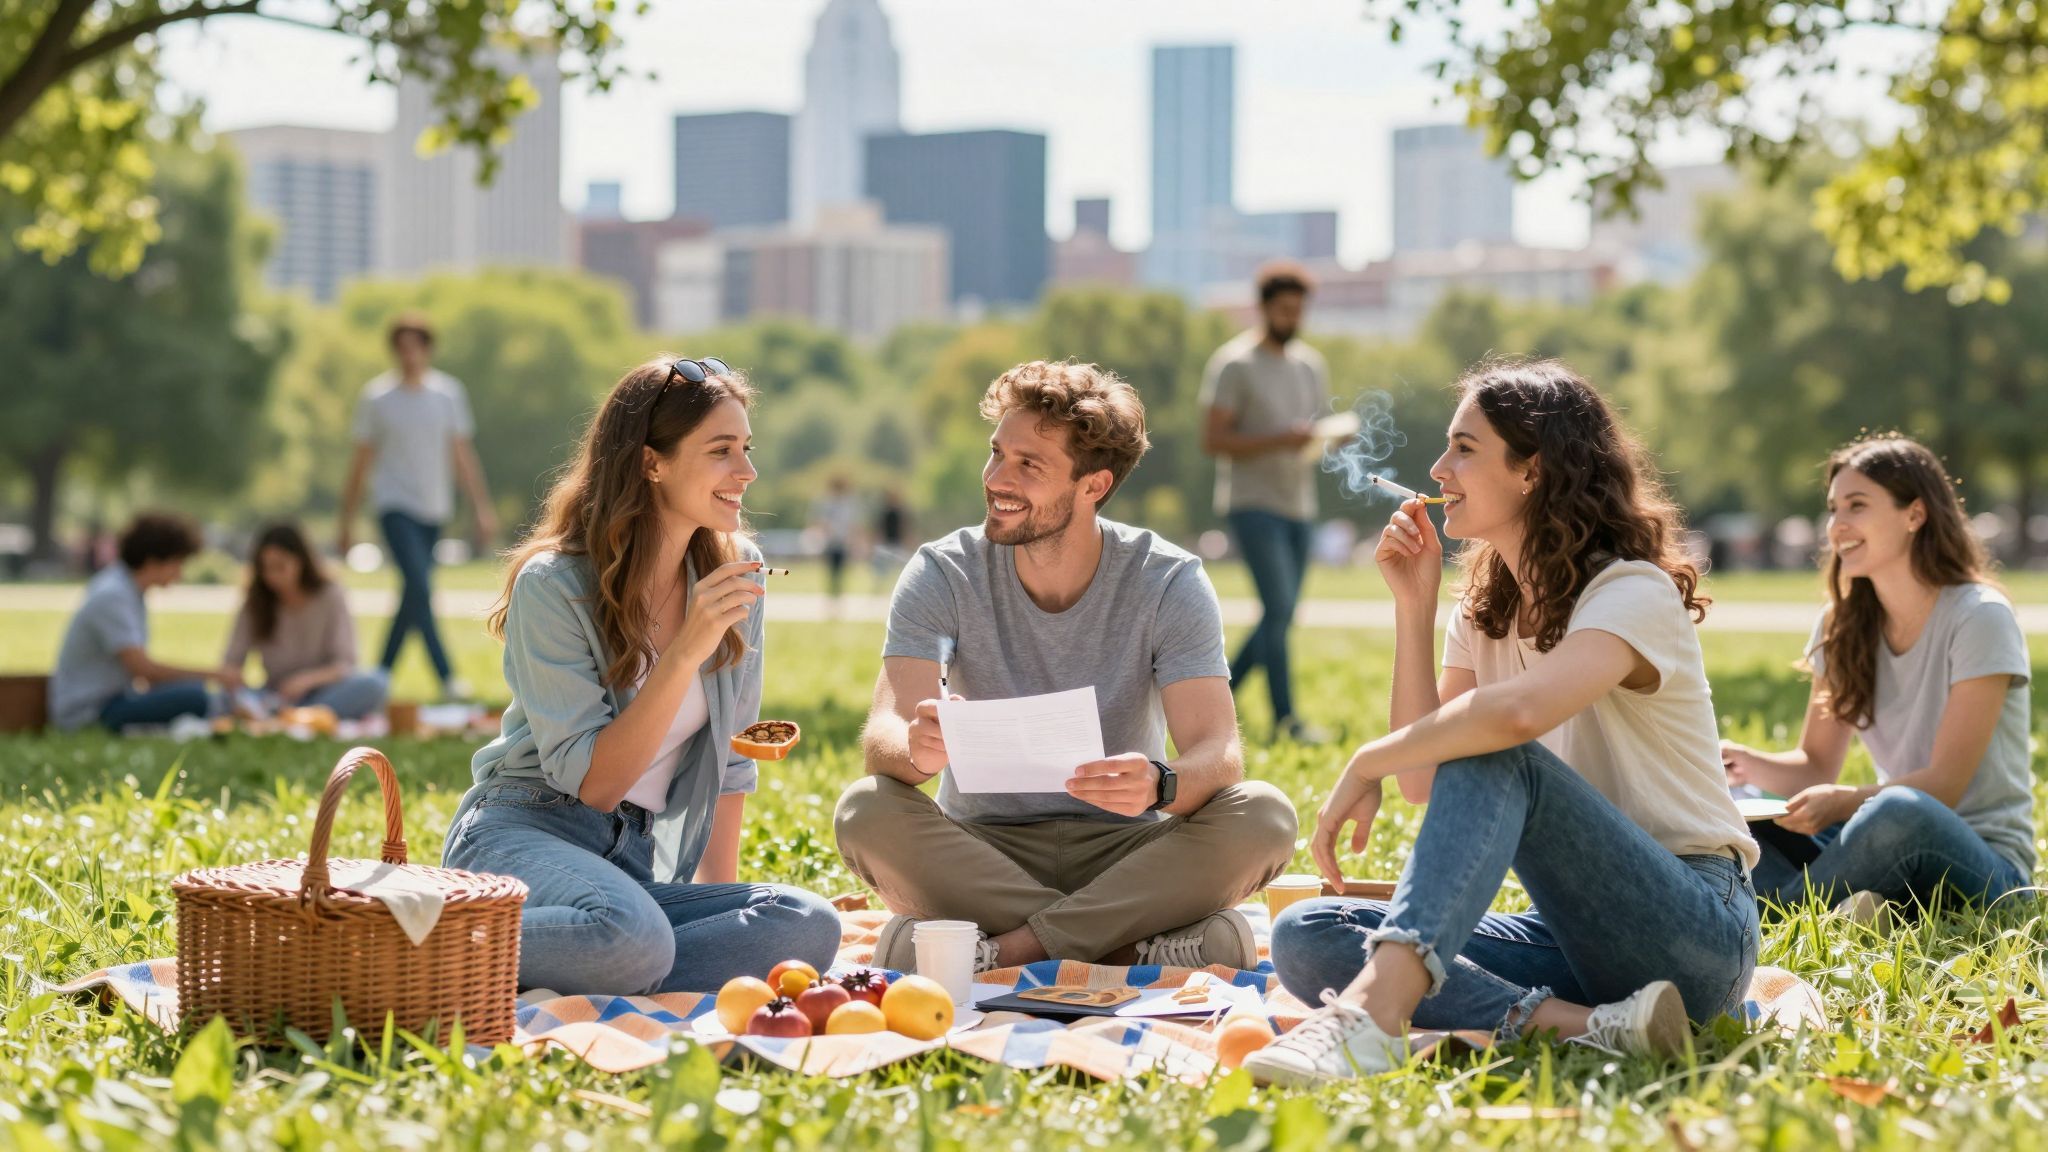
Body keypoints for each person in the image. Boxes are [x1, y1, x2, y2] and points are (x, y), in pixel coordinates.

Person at [1245, 359, 1759, 1087]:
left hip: (1694, 930)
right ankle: (1595, 1030)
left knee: (1496, 746)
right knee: (1309, 933)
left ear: (1533, 471)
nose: (1437, 467)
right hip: (1573, 938)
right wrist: (1414, 607)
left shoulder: (1630, 590)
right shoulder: (1482, 614)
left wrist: (1366, 761)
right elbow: (1424, 779)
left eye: (1464, 448)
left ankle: (1368, 1019)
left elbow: (1511, 717)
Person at [836, 360, 1298, 975]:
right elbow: (884, 734)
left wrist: (1161, 782)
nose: (998, 478)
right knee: (866, 809)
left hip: (1127, 850)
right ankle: (1130, 948)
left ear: (1093, 486)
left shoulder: (1168, 580)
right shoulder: (942, 571)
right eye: (997, 453)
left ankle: (1003, 951)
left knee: (1265, 814)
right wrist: (917, 748)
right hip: (982, 850)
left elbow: (1218, 751)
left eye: (1030, 465)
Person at [440, 355, 839, 995]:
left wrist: (730, 906)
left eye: (746, 447)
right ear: (652, 462)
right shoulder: (556, 586)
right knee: (631, 936)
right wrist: (685, 651)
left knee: (802, 923)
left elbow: (734, 755)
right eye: (721, 450)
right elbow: (596, 786)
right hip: (525, 830)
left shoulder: (737, 572)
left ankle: (603, 958)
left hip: (627, 859)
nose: (747, 471)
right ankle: (420, 944)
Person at [1722, 436, 2034, 920]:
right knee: (1735, 818)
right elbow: (1815, 764)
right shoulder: (1840, 624)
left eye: (1857, 505)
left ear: (1915, 514)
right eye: (1833, 508)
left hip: (1986, 865)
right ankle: (1860, 907)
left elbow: (1944, 787)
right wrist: (1741, 764)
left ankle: (1768, 916)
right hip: (1886, 835)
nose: (1837, 524)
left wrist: (1846, 802)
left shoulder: (1980, 617)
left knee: (1900, 812)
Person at [1200, 262, 1331, 743]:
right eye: (1283, 308)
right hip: (1253, 502)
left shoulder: (1309, 365)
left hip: (1300, 503)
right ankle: (1286, 719)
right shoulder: (1234, 364)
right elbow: (1213, 439)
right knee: (1278, 607)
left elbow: (1308, 434)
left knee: (1284, 614)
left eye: (1299, 309)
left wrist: (1324, 440)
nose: (1292, 317)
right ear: (1263, 309)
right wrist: (1280, 439)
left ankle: (1218, 699)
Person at [339, 314, 494, 699]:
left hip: (434, 509)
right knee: (420, 586)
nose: (409, 355)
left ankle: (379, 677)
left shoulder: (447, 395)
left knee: (414, 592)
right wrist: (347, 520)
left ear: (427, 349)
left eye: (415, 346)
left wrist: (480, 507)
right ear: (394, 351)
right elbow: (361, 462)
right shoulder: (377, 399)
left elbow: (462, 455)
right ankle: (446, 676)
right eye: (401, 347)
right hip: (394, 505)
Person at [49, 512, 227, 731]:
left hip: (113, 700)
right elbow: (143, 669)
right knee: (196, 697)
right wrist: (216, 675)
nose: (179, 574)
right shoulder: (113, 595)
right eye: (177, 563)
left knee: (193, 695)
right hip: (89, 712)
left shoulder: (127, 590)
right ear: (153, 562)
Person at [221, 523, 389, 720]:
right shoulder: (255, 602)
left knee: (376, 682)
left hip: (323, 692)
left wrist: (305, 681)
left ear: (301, 562)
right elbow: (232, 663)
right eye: (266, 568)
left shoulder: (330, 595)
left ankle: (294, 717)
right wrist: (234, 681)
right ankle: (290, 716)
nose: (272, 576)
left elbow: (345, 663)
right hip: (273, 695)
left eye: (280, 567)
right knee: (222, 698)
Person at [808, 475, 862, 602]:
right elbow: (820, 521)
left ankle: (837, 594)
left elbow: (853, 524)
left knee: (840, 570)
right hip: (831, 542)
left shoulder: (847, 504)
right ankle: (832, 594)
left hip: (843, 542)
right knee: (832, 570)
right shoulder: (827, 503)